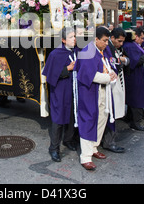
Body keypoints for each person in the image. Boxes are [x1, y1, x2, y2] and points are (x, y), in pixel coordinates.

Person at [74, 27, 118, 171]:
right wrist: (108, 77)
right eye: (104, 40)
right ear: (96, 39)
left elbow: (109, 65)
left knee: (102, 119)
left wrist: (112, 73)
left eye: (108, 40)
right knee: (88, 121)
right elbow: (88, 75)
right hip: (90, 91)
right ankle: (85, 157)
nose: (107, 43)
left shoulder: (104, 50)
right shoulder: (87, 52)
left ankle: (94, 147)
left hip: (103, 90)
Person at [42, 27, 80, 162]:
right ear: (63, 40)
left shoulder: (77, 51)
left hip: (74, 90)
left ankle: (68, 140)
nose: (74, 39)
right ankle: (54, 148)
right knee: (58, 121)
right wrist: (67, 69)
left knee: (72, 117)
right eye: (71, 37)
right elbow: (50, 76)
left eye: (74, 36)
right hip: (60, 91)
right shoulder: (55, 54)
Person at [123, 28, 144, 131]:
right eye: (141, 38)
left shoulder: (136, 45)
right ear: (136, 36)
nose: (143, 40)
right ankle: (135, 122)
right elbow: (135, 61)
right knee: (137, 100)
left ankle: (130, 118)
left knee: (134, 100)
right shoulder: (130, 46)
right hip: (135, 76)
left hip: (140, 75)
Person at [102, 27, 127, 153]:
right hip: (111, 82)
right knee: (111, 112)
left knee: (113, 111)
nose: (121, 44)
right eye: (119, 41)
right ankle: (108, 141)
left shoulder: (112, 48)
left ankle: (108, 140)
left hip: (116, 80)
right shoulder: (108, 48)